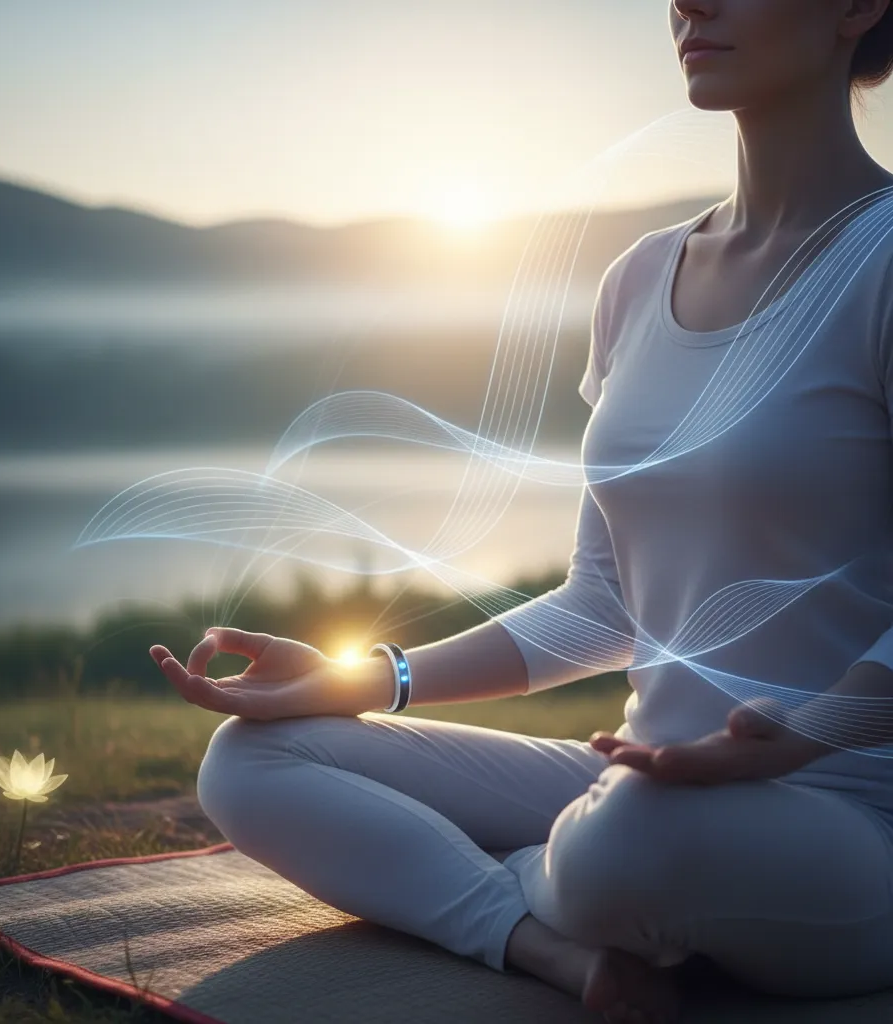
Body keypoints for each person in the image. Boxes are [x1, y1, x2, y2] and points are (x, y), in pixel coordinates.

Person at [150, 3, 893, 1022]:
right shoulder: (639, 279)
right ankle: (551, 950)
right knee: (254, 758)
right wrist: (371, 677)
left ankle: (503, 881)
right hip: (640, 777)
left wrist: (800, 735)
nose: (688, 2)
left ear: (857, 6)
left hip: (848, 815)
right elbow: (603, 602)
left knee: (622, 844)